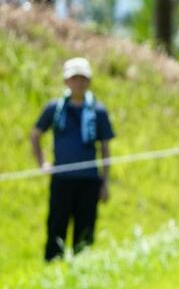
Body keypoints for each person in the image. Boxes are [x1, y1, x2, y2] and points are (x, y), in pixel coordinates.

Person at [29, 58, 115, 261]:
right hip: (61, 178)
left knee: (85, 227)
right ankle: (53, 265)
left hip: (89, 180)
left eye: (83, 78)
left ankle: (82, 267)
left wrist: (105, 182)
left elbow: (105, 148)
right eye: (74, 78)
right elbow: (35, 134)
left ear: (89, 81)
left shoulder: (98, 111)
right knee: (56, 224)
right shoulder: (55, 109)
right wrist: (42, 162)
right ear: (67, 81)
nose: (79, 83)